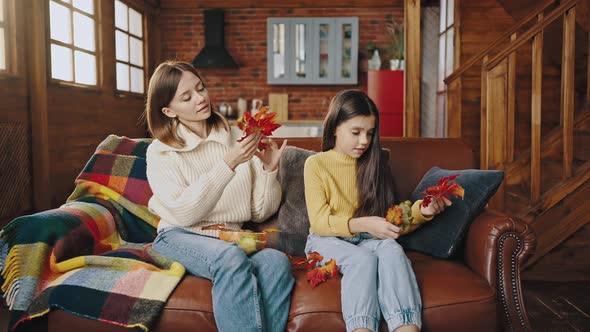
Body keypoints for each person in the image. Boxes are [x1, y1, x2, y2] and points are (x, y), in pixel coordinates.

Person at [145, 61, 294, 332]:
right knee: (229, 258)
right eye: (186, 97)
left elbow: (258, 212)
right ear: (169, 111)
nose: (200, 98)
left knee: (276, 261)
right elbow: (184, 213)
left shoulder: (237, 138)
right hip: (179, 235)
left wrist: (269, 170)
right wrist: (227, 164)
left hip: (229, 238)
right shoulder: (161, 152)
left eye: (200, 88)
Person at [303, 90, 451, 332]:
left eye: (370, 133)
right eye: (356, 132)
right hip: (326, 240)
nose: (364, 141)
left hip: (367, 238)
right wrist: (364, 224)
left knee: (392, 249)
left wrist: (422, 211)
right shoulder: (316, 164)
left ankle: (406, 327)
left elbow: (391, 221)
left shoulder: (377, 162)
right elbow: (319, 222)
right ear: (334, 129)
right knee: (362, 260)